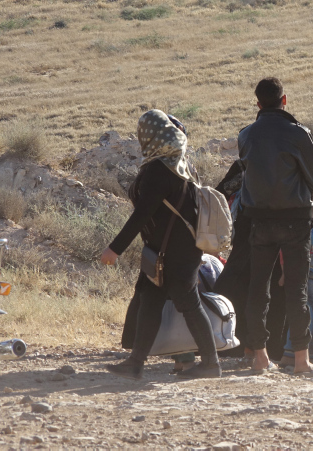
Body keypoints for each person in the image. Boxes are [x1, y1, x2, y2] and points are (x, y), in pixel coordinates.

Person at [100, 109, 220, 380]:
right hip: (170, 250)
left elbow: (142, 214)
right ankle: (136, 362)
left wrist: (114, 249)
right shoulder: (178, 163)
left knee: (188, 302)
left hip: (174, 253)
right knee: (150, 300)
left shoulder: (159, 169)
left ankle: (211, 363)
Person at [237, 77, 313, 376]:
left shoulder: (246, 135)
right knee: (296, 290)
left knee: (258, 288)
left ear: (258, 103)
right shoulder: (298, 133)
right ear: (284, 100)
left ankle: (259, 357)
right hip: (294, 219)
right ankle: (301, 360)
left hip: (258, 219)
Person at [280, 195, 313, 367]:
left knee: (303, 310)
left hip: (306, 272)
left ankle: (289, 353)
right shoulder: (306, 225)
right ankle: (311, 355)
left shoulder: (308, 223)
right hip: (302, 271)